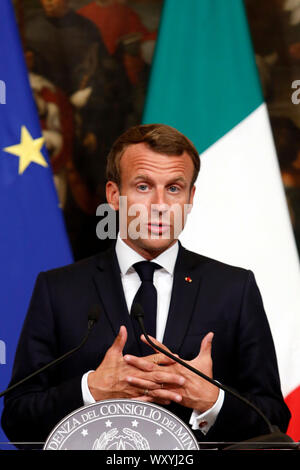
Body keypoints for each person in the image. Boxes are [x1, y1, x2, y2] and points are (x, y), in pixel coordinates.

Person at [1, 124, 290, 445]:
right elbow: (17, 418)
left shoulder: (235, 289)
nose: (159, 204)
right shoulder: (57, 290)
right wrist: (91, 390)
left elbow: (274, 421)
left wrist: (210, 400)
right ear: (114, 195)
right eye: (142, 186)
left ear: (190, 197)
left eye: (174, 188)